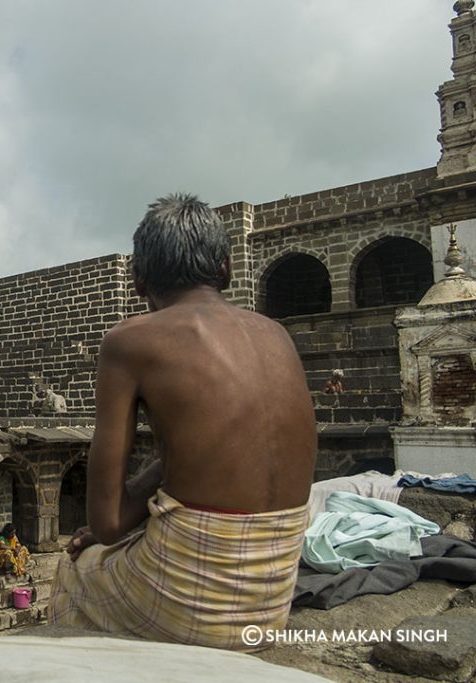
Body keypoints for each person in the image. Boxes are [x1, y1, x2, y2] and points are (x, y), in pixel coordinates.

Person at [48, 194, 316, 652]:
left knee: (75, 568)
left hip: (198, 608)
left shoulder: (130, 341)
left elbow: (108, 522)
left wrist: (114, 527)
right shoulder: (276, 333)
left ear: (137, 280)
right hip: (274, 598)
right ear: (227, 269)